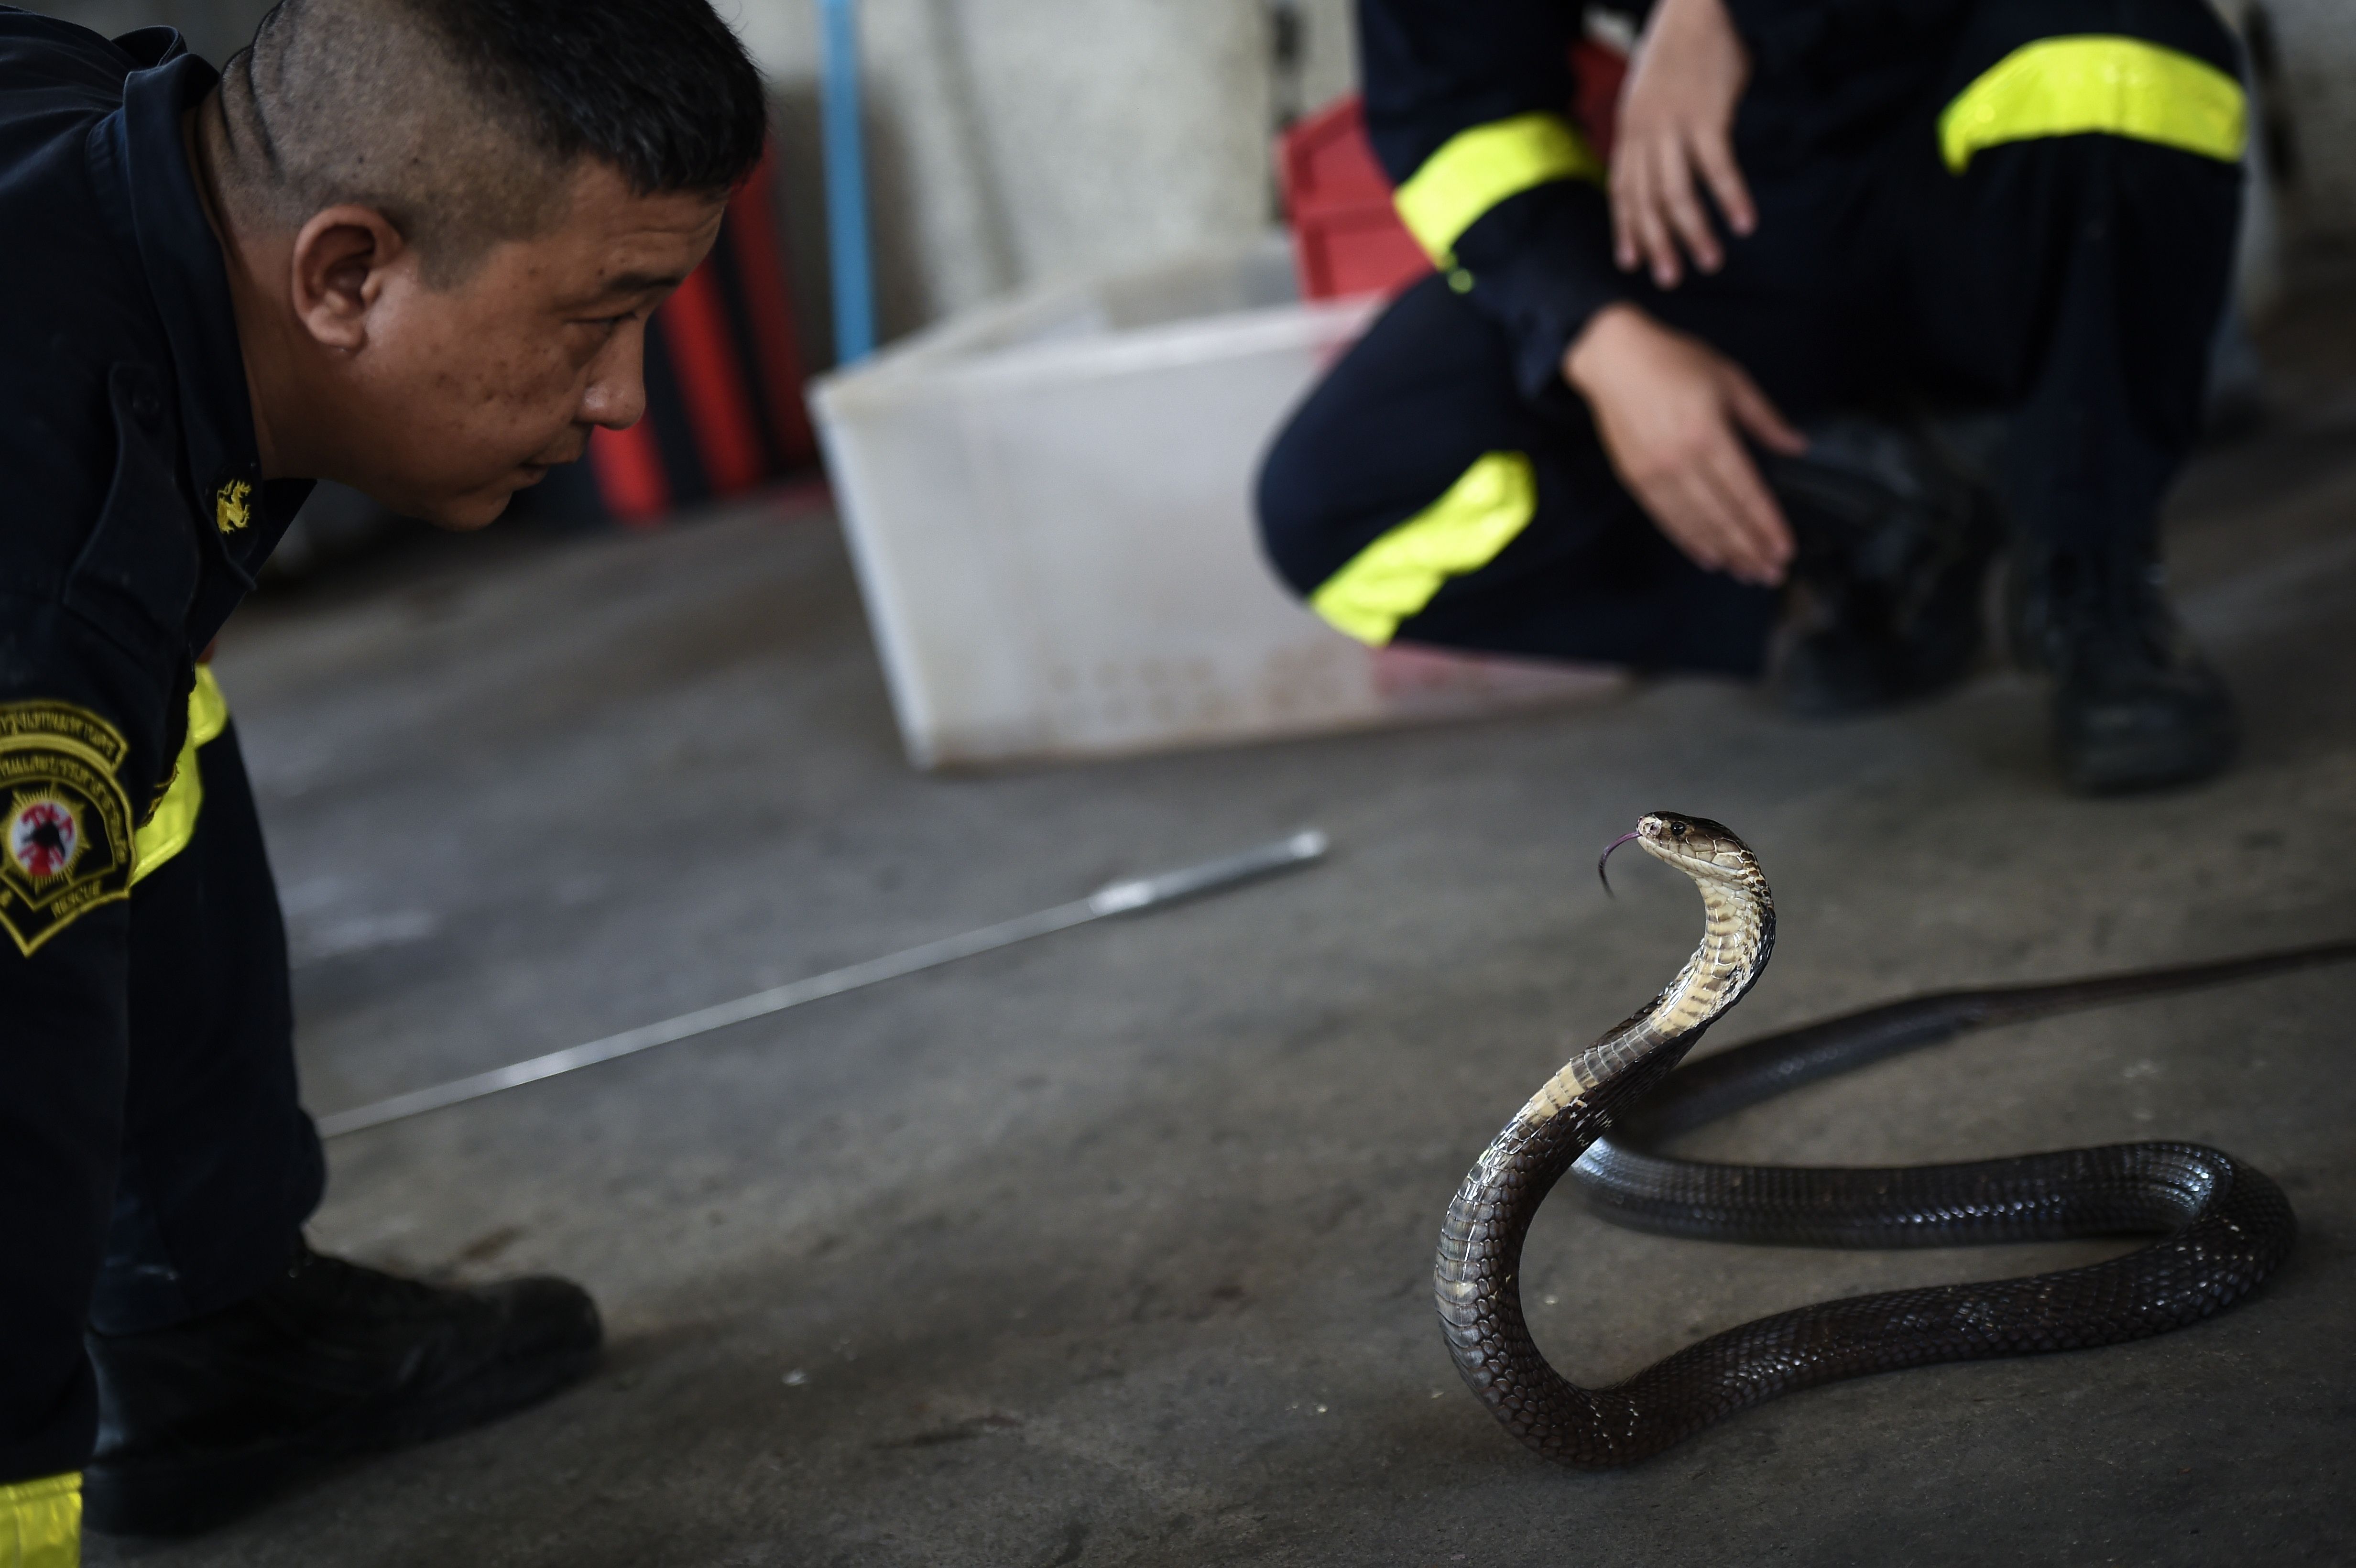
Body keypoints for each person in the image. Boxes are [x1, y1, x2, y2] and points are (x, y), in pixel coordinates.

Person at [0, 0, 767, 1551]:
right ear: (345, 273)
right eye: (594, 317)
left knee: (156, 735)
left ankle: (206, 1334)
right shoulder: (43, 554)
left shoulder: (106, 147)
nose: (621, 394)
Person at [1257, 0, 2248, 793]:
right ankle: (1882, 529)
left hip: (1989, 168)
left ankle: (2095, 573)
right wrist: (1598, 334)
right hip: (1732, 196)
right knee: (1346, 511)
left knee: (2118, 54)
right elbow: (1459, 112)